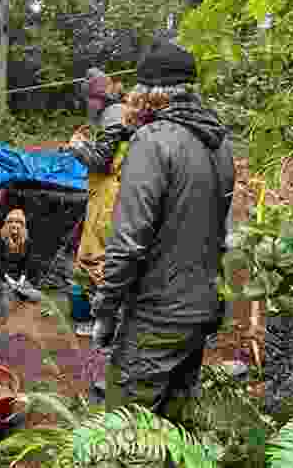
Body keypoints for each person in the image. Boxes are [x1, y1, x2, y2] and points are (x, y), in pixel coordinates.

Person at [88, 39, 235, 427]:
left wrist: (104, 313)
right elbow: (221, 232)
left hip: (157, 316)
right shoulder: (219, 143)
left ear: (148, 93)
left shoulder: (151, 143)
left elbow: (126, 244)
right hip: (201, 309)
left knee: (125, 435)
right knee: (171, 429)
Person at [62, 69, 132, 337]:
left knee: (96, 259)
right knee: (103, 256)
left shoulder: (113, 115)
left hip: (109, 195)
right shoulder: (121, 112)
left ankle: (105, 323)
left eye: (88, 99)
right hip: (112, 192)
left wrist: (78, 147)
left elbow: (102, 162)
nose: (86, 105)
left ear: (99, 97)